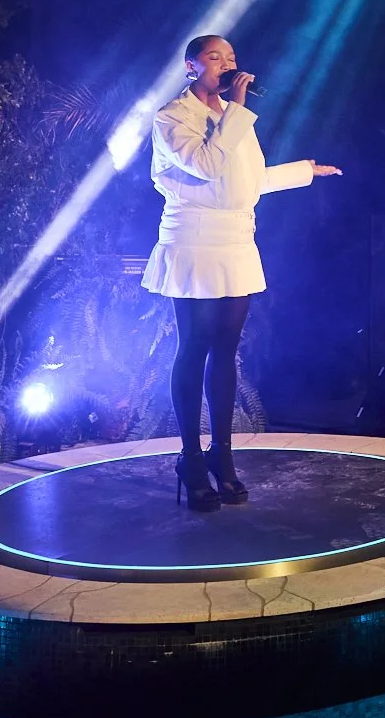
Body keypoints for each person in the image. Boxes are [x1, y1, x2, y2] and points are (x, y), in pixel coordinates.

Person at [142, 35, 341, 511]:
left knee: (226, 352)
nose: (227, 64)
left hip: (235, 240)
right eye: (215, 57)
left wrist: (303, 171)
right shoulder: (172, 117)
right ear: (191, 67)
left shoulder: (234, 117)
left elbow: (245, 183)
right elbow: (208, 166)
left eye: (231, 57)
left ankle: (222, 453)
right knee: (194, 347)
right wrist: (236, 108)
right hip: (194, 239)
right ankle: (190, 458)